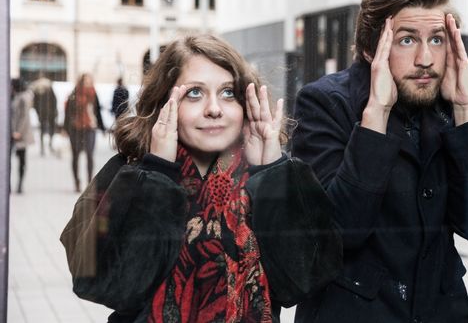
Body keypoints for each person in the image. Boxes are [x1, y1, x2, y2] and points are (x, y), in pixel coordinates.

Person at [60, 34, 340, 323]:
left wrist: (271, 169)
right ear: (164, 101)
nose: (214, 108)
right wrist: (157, 172)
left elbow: (304, 282)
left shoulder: (272, 175)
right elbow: (104, 286)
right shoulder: (128, 173)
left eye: (228, 93)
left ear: (246, 101)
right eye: (194, 93)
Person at [291, 0, 468, 322]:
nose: (425, 59)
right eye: (407, 40)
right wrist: (377, 116)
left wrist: (466, 109)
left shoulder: (449, 106)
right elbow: (337, 235)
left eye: (437, 40)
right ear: (373, 47)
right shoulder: (325, 103)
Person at [64, 73, 106, 192]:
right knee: (76, 156)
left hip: (90, 128)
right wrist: (65, 128)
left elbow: (97, 111)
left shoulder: (93, 93)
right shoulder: (75, 93)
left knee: (90, 155)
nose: (88, 83)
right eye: (85, 81)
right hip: (76, 128)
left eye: (89, 81)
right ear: (81, 81)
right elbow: (68, 112)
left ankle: (89, 182)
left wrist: (102, 127)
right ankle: (77, 181)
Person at [11, 78, 35, 193]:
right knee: (12, 160)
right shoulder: (15, 96)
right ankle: (9, 184)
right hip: (13, 133)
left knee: (21, 159)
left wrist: (18, 132)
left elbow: (24, 116)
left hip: (20, 134)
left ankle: (20, 183)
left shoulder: (23, 98)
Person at [30, 75, 58, 156]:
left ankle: (46, 145)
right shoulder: (42, 91)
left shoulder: (44, 91)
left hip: (46, 113)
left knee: (45, 130)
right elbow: (54, 101)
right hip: (47, 113)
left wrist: (39, 112)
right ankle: (46, 146)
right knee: (46, 130)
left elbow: (54, 101)